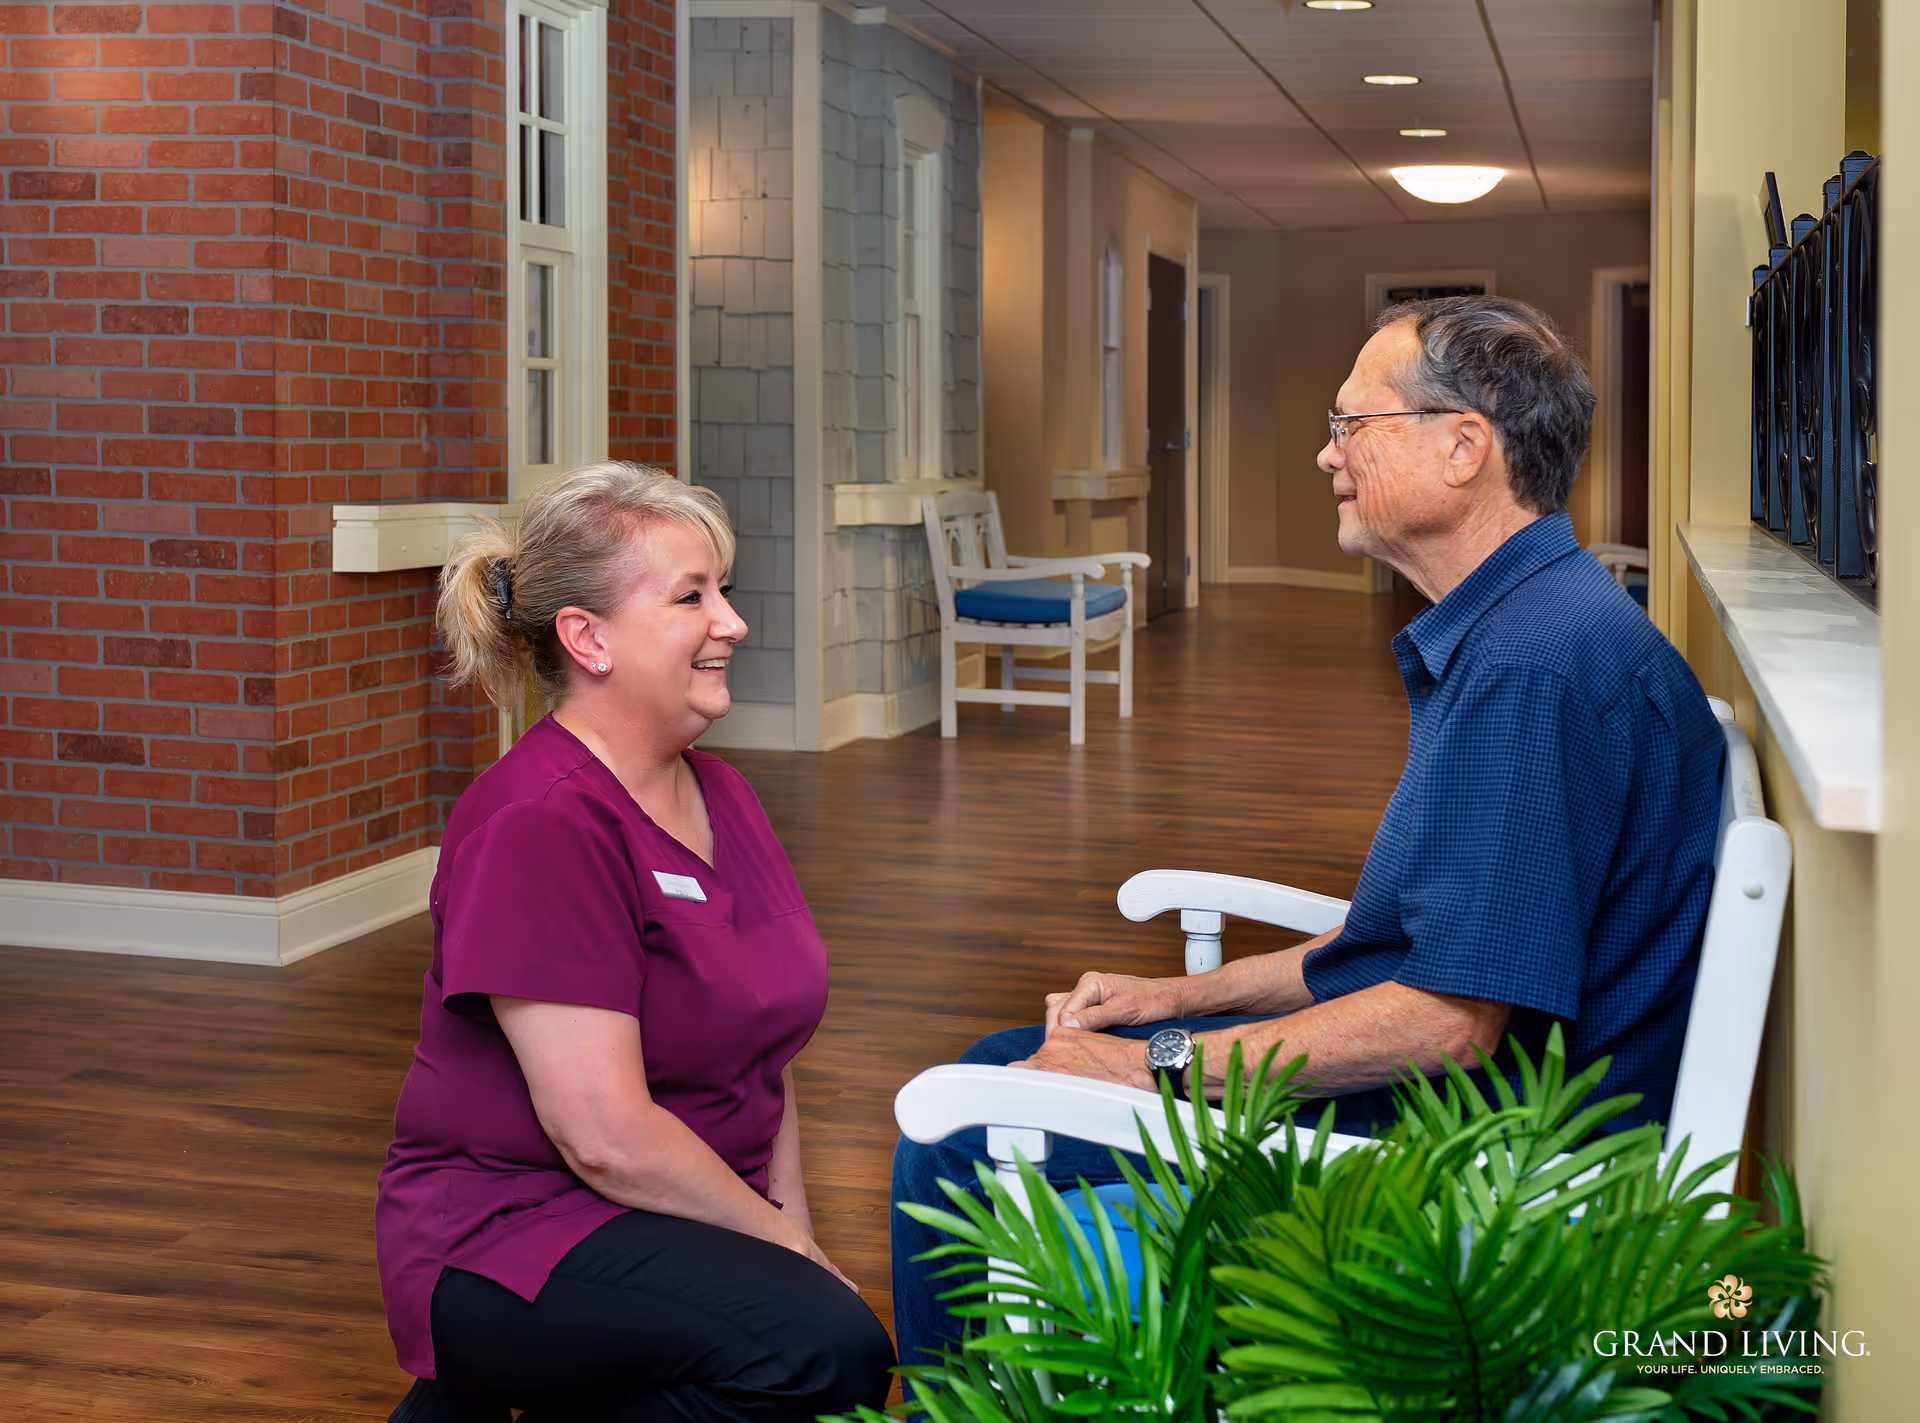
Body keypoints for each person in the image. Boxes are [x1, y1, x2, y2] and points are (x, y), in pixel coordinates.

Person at [890, 295, 1725, 1369]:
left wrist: (1162, 1067)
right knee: (1014, 1061)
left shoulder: (1530, 668)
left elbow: (1442, 1021)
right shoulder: (1540, 624)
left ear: (1464, 445)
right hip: (1467, 1105)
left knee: (957, 1127)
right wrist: (1175, 999)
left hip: (1465, 1151)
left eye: (1350, 425)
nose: (1325, 455)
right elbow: (1410, 949)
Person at [376, 462, 894, 1422]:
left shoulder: (721, 793)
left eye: (723, 591)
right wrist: (792, 1260)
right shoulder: (538, 821)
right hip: (516, 1227)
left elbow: (762, 1050)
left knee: (814, 1336)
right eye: (692, 596)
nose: (731, 621)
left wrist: (794, 1232)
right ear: (588, 638)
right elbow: (604, 1137)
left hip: (673, 1205)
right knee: (829, 1353)